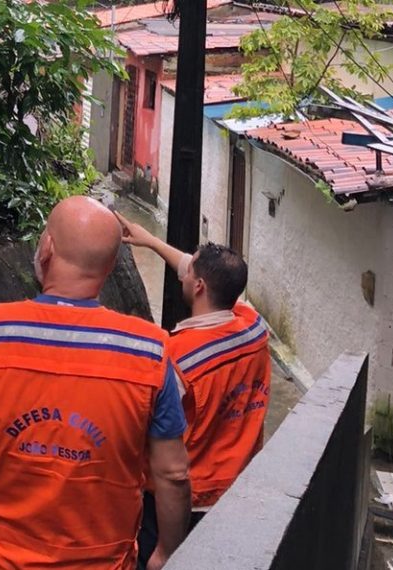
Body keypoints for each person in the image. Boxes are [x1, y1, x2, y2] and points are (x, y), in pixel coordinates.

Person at [0, 196, 191, 570]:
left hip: (3, 555)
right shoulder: (149, 352)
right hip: (103, 559)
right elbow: (173, 472)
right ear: (109, 265)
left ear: (48, 248)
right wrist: (167, 551)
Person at [116, 214, 271, 565]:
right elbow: (198, 270)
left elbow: (144, 434)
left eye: (189, 272)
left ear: (198, 286)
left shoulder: (175, 358)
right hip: (237, 489)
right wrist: (151, 241)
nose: (184, 270)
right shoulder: (254, 327)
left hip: (184, 502)